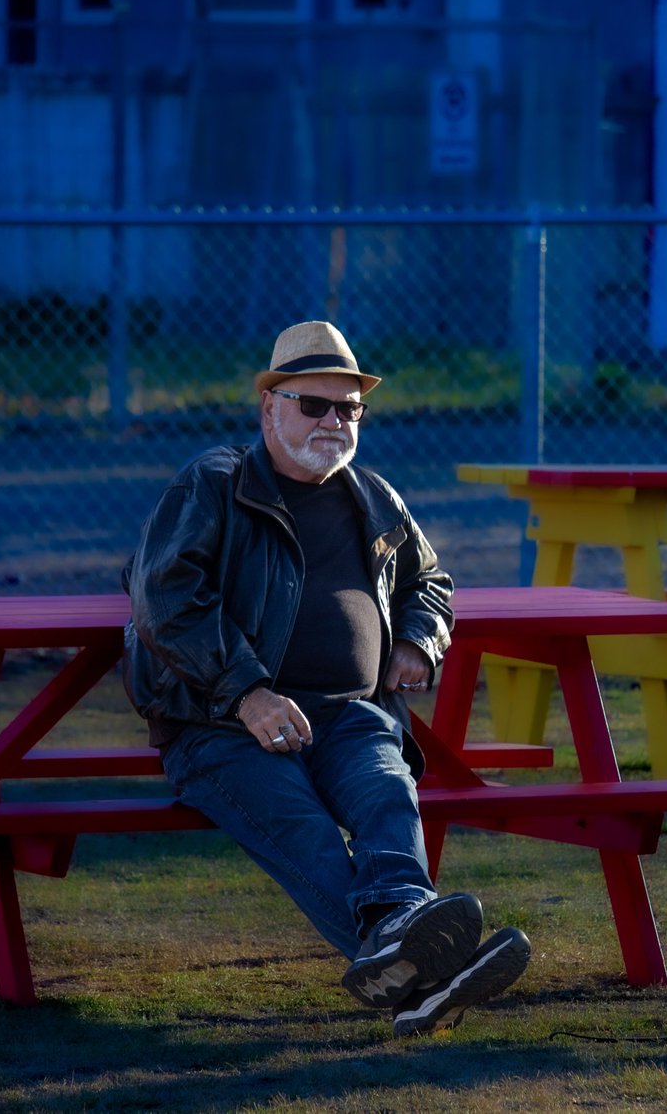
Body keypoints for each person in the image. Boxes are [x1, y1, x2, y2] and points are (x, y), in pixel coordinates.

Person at [121, 319, 530, 1037]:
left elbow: (431, 581)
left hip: (350, 714)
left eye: (350, 409)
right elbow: (166, 599)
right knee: (306, 833)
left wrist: (417, 641)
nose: (335, 421)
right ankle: (422, 970)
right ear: (270, 407)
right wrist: (247, 692)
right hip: (222, 725)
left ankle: (407, 944)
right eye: (315, 405)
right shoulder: (215, 485)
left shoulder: (372, 495)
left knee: (384, 791)